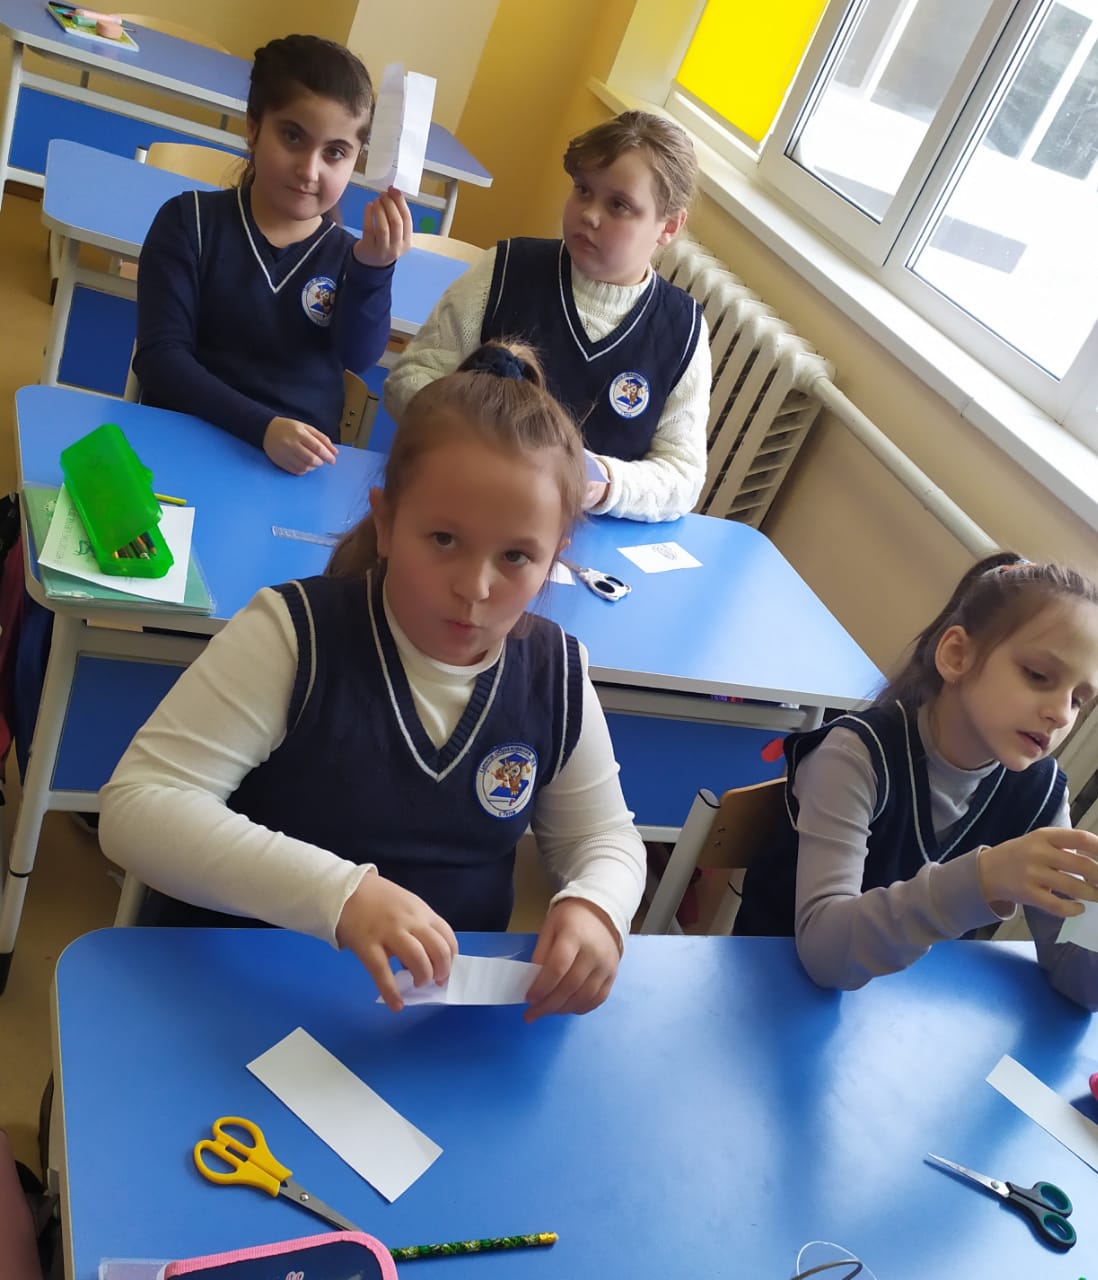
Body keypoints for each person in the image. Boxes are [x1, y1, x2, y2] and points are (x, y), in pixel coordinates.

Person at [99, 341, 647, 1022]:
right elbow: (139, 808)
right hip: (239, 997)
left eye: (516, 556)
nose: (475, 587)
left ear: (553, 561)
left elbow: (605, 838)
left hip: (421, 1026)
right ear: (387, 523)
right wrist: (343, 896)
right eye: (443, 539)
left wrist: (597, 905)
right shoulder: (293, 634)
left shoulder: (557, 675)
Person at [734, 552, 1098, 1010]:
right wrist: (982, 879)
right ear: (957, 655)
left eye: (1078, 699)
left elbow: (1072, 973)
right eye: (1038, 676)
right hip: (759, 1001)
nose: (1059, 712)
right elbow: (824, 955)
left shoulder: (1041, 796)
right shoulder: (855, 756)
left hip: (894, 1019)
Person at [383, 111, 710, 522]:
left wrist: (606, 482)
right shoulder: (505, 270)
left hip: (584, 534)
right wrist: (477, 435)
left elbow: (682, 476)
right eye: (583, 190)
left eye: (619, 205)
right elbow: (408, 380)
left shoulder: (683, 330)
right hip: (464, 507)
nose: (590, 214)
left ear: (669, 226)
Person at [133, 34, 414, 476]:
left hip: (295, 470)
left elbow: (358, 357)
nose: (309, 170)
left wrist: (374, 271)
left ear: (356, 159)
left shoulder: (350, 257)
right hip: (182, 443)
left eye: (335, 153)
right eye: (292, 136)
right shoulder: (189, 223)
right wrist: (263, 428)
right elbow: (160, 359)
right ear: (253, 127)